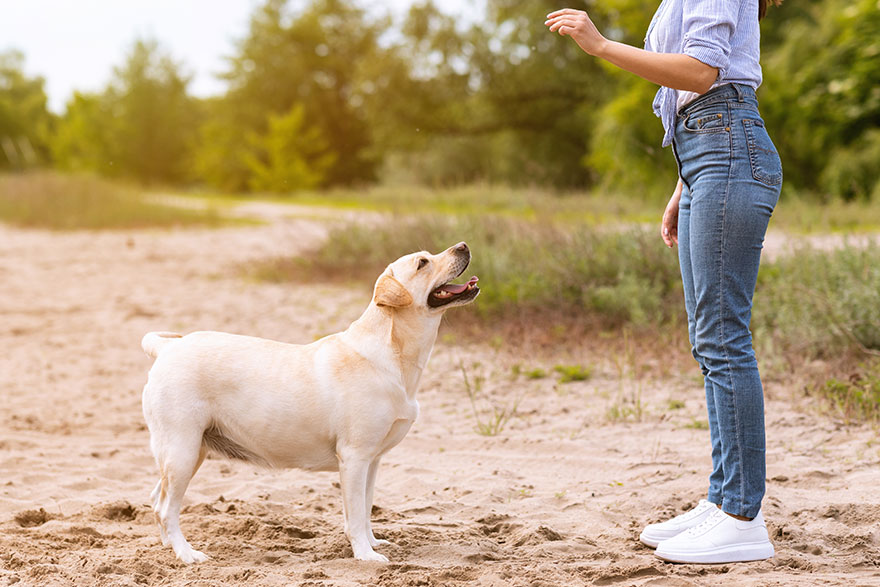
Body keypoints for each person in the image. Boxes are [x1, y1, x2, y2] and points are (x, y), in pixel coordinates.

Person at [545, 0, 783, 564]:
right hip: (705, 158)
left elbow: (703, 74)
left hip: (727, 151)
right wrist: (684, 184)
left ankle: (741, 517)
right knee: (710, 340)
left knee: (724, 339)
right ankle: (724, 499)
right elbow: (700, 91)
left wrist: (600, 46)